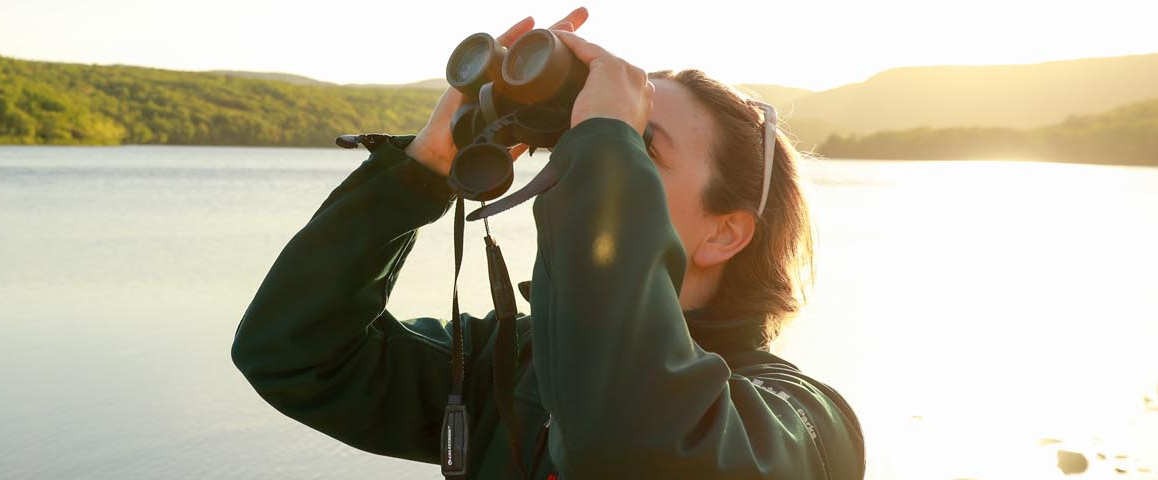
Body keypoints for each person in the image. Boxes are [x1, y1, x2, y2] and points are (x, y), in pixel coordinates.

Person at [231, 8, 865, 479]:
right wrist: (420, 173)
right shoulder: (509, 364)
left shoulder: (804, 424)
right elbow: (294, 355)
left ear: (726, 232)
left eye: (635, 147)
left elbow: (631, 438)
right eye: (584, 141)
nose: (584, 161)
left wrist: (604, 146)